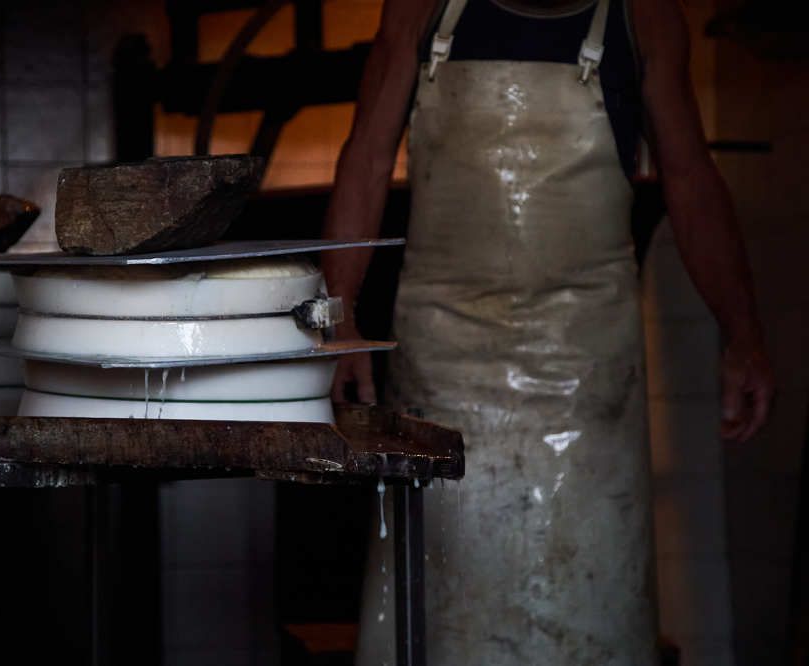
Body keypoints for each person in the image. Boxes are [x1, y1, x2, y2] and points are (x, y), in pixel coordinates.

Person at [321, 0, 775, 663]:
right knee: (441, 618)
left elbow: (691, 179)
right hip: (441, 371)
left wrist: (743, 333)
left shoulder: (645, 16)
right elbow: (365, 157)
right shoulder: (420, 7)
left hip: (587, 380)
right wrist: (340, 319)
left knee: (589, 611)